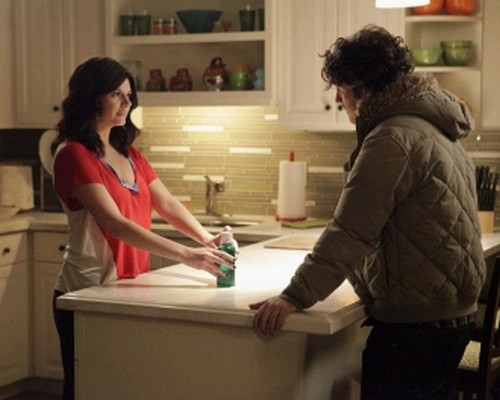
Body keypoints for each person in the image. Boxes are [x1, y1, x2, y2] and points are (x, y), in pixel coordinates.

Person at [250, 25, 485, 400]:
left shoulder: (392, 138)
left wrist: (293, 296)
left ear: (359, 87)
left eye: (340, 90)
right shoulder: (435, 127)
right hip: (450, 315)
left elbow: (350, 232)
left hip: (417, 323)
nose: (338, 101)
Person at [50, 57, 235, 400]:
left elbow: (167, 204)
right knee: (87, 390)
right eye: (116, 94)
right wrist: (188, 255)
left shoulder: (129, 153)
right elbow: (115, 224)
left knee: (124, 387)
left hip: (127, 291)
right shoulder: (73, 154)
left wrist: (206, 239)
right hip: (87, 292)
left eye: (128, 94)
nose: (128, 102)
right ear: (91, 97)